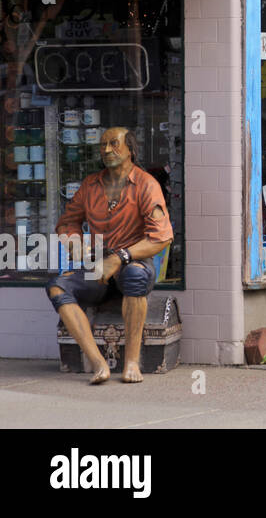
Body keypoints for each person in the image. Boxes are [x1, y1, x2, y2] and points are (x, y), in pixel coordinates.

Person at [46, 127, 173, 384]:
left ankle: (132, 363)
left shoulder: (146, 184)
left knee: (135, 275)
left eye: (113, 144)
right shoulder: (90, 185)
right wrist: (77, 244)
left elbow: (161, 237)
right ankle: (98, 363)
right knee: (57, 287)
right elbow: (66, 223)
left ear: (130, 149)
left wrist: (120, 257)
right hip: (98, 267)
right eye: (102, 145)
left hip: (134, 263)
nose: (106, 150)